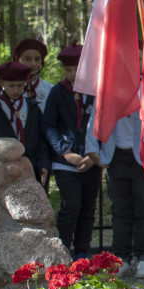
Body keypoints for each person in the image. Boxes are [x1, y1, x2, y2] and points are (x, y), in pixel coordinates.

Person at [43, 44, 100, 259]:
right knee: (71, 205)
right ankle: (63, 250)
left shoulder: (97, 92)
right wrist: (66, 152)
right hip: (66, 162)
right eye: (69, 70)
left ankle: (82, 251)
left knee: (87, 208)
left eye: (78, 69)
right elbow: (49, 125)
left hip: (92, 160)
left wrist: (95, 156)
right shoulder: (58, 92)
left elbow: (104, 125)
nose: (73, 74)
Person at [87, 110, 144, 279]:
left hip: (143, 153)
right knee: (120, 209)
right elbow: (97, 113)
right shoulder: (109, 84)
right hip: (114, 154)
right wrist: (92, 149)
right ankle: (121, 258)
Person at [0, 61, 50, 182]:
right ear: (1, 83)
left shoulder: (33, 108)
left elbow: (42, 139)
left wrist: (44, 163)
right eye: (11, 86)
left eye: (20, 85)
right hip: (1, 168)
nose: (16, 90)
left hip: (31, 167)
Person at [13, 38, 54, 109]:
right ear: (18, 60)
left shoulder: (50, 90)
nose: (33, 64)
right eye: (27, 59)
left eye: (37, 59)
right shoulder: (9, 89)